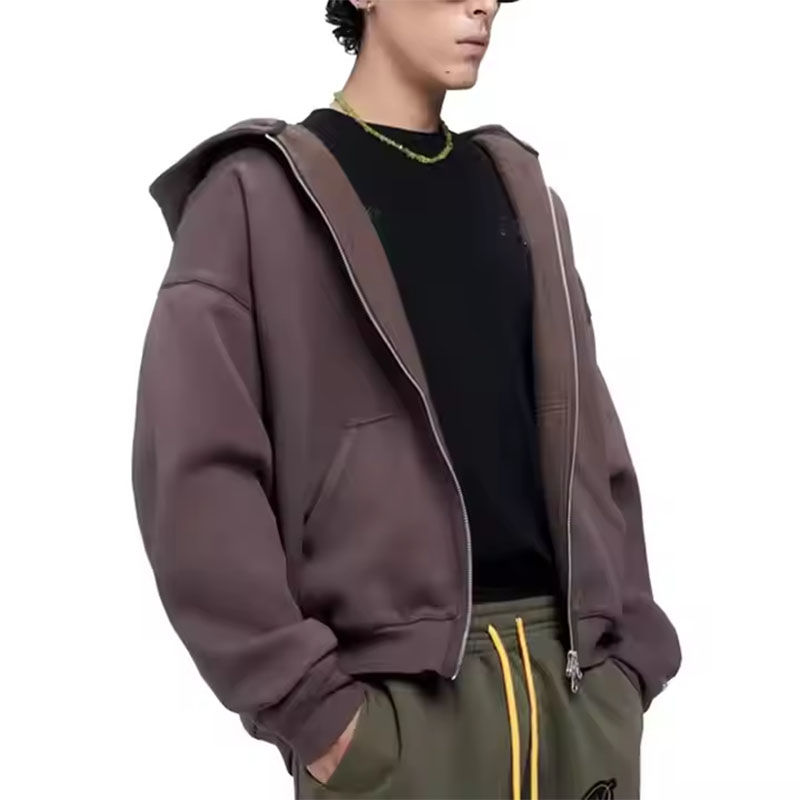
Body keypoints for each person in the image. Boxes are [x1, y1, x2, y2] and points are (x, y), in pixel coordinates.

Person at [131, 1, 682, 798]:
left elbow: (595, 446)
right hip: (397, 722)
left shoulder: (525, 196)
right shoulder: (255, 199)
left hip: (575, 691)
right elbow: (194, 475)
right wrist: (313, 711)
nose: (484, 3)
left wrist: (629, 664)